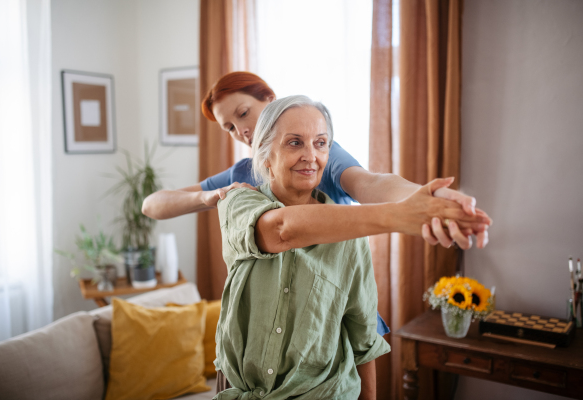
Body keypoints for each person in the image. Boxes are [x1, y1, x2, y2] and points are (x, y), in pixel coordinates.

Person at [214, 96, 488, 400]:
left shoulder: (349, 232)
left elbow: (362, 333)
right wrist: (401, 215)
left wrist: (428, 201)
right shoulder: (237, 203)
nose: (310, 155)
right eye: (294, 143)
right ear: (265, 155)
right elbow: (282, 230)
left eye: (320, 143)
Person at [142, 72, 491, 250]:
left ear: (270, 100)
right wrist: (207, 197)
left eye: (244, 114)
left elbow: (369, 183)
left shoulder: (316, 156)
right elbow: (153, 204)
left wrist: (424, 198)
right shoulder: (242, 175)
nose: (242, 131)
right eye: (229, 127)